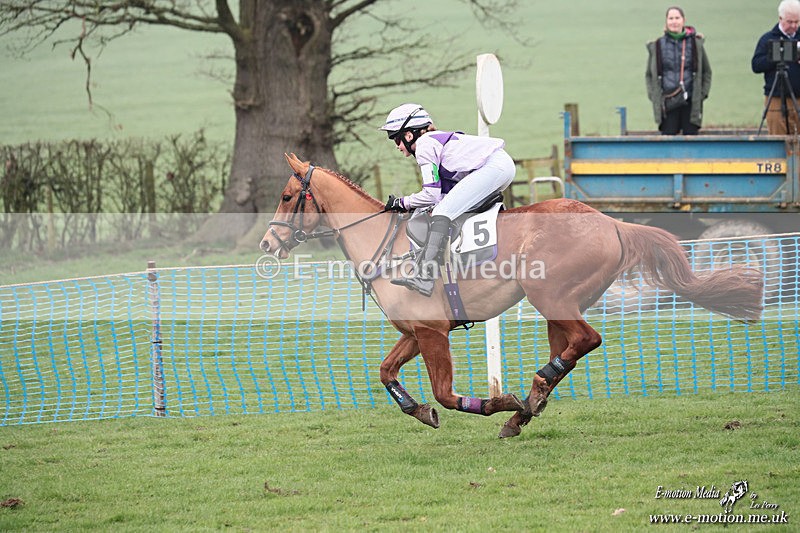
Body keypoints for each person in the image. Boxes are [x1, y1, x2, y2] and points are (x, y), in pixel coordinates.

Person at [379, 103, 516, 297]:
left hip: (495, 167)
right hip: (500, 166)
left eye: (396, 139)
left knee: (442, 212)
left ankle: (425, 277)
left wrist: (402, 203)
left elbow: (431, 194)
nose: (398, 147)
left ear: (409, 135)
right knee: (444, 210)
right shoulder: (432, 142)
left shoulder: (424, 146)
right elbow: (442, 194)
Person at [645, 6, 712, 135]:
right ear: (666, 21)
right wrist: (653, 96)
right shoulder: (657, 45)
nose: (674, 21)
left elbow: (707, 72)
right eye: (671, 18)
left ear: (683, 20)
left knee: (691, 144)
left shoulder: (695, 44)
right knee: (667, 146)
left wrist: (702, 94)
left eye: (677, 18)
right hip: (667, 103)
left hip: (691, 102)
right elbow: (649, 74)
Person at [752, 0, 800, 135]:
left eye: (797, 22)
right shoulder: (768, 39)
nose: (794, 26)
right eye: (790, 22)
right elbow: (756, 65)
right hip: (777, 98)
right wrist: (777, 56)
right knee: (778, 141)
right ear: (780, 18)